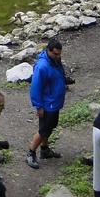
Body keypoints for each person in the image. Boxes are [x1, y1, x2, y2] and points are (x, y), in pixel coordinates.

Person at [26, 38, 70, 169]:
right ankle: (31, 152)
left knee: (49, 127)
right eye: (55, 54)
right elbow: (35, 87)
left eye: (59, 54)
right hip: (47, 104)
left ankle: (44, 149)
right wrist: (38, 106)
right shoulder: (42, 66)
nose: (58, 56)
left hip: (54, 102)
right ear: (48, 51)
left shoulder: (55, 61)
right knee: (44, 129)